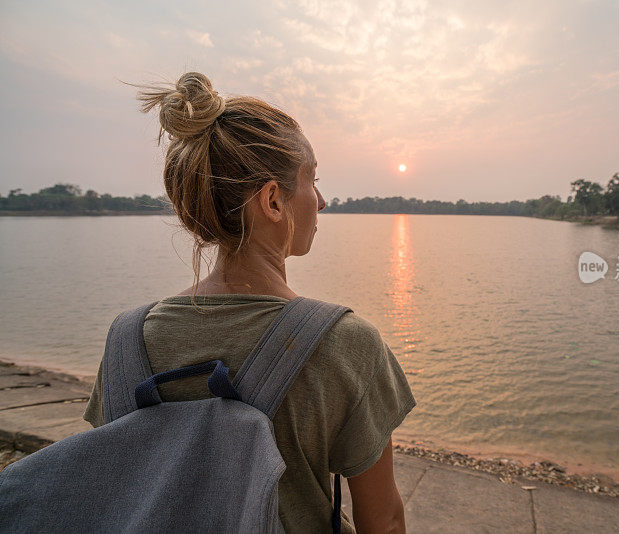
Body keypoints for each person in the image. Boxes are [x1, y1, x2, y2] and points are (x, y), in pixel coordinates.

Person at [82, 71, 416, 534]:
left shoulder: (127, 339)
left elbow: (107, 488)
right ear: (274, 201)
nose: (320, 201)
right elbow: (383, 520)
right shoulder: (345, 344)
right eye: (311, 180)